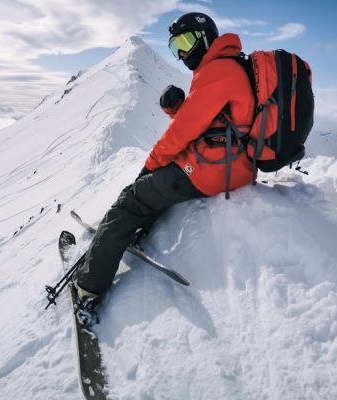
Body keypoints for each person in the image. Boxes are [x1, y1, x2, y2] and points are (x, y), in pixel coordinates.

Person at [73, 12, 256, 324]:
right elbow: (209, 124)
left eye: (186, 42)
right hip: (228, 163)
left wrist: (147, 166)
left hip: (215, 169)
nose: (182, 53)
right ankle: (137, 229)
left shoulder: (219, 71)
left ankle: (89, 288)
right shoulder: (227, 67)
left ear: (206, 38)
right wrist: (177, 110)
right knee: (156, 184)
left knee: (130, 200)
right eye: (175, 47)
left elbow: (181, 134)